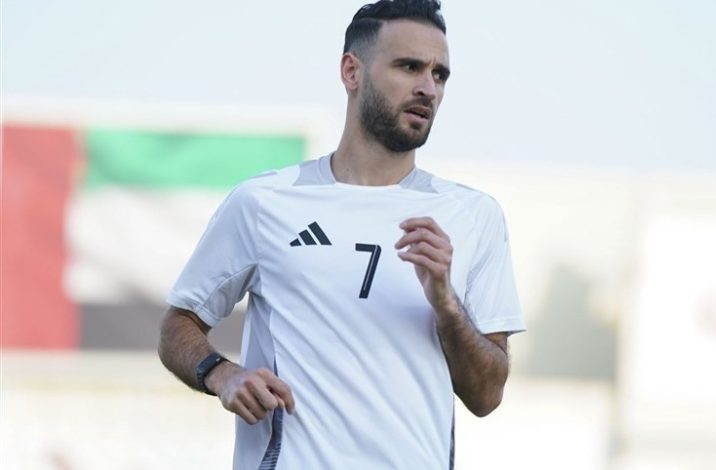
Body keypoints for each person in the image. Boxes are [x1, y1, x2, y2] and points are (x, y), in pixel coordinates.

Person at [158, 1, 525, 468]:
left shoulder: (474, 215)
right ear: (352, 72)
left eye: (440, 74)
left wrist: (448, 306)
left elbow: (487, 396)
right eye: (409, 66)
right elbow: (178, 326)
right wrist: (222, 374)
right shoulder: (264, 202)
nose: (428, 87)